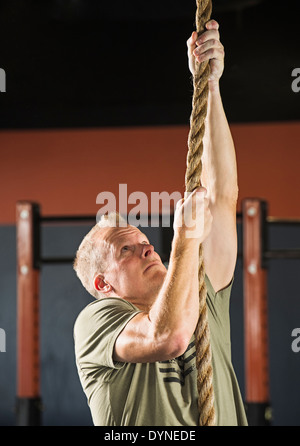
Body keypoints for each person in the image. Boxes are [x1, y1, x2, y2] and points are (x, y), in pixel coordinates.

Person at [73, 20, 248, 426]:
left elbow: (222, 197)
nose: (149, 247)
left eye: (144, 241)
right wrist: (185, 238)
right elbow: (166, 337)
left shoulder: (199, 293)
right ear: (104, 285)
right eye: (126, 250)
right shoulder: (97, 323)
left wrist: (211, 84)